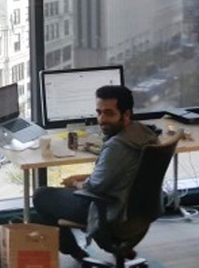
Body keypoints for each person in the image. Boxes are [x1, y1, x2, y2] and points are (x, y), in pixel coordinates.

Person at [32, 85, 159, 261]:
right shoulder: (144, 134)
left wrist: (75, 183)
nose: (102, 119)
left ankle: (75, 252)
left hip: (110, 210)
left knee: (41, 195)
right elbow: (119, 174)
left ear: (126, 114)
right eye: (99, 112)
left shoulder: (117, 146)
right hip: (136, 211)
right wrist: (82, 177)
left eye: (109, 113)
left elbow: (94, 187)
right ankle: (121, 249)